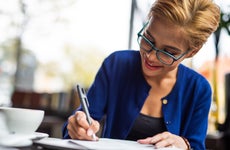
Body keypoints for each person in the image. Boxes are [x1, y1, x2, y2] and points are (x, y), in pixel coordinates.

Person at [62, 0, 220, 149]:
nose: (150, 57)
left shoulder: (199, 89)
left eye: (168, 52)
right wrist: (77, 127)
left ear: (192, 51)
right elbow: (77, 125)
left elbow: (196, 145)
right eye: (148, 40)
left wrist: (184, 144)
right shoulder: (116, 64)